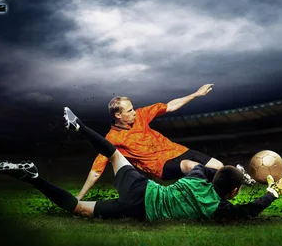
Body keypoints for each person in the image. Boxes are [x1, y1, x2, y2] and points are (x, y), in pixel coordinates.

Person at [0, 107, 282, 222]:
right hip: (139, 208)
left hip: (141, 186)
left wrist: (197, 166)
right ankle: (33, 177)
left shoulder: (198, 177)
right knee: (77, 208)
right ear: (232, 193)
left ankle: (79, 127)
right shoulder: (218, 209)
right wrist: (274, 193)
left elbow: (192, 166)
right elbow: (248, 211)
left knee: (113, 152)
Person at [78, 84, 256, 201]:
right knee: (190, 166)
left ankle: (229, 188)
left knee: (218, 166)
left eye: (133, 108)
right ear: (118, 115)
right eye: (130, 110)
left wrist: (195, 94)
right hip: (161, 166)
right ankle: (229, 185)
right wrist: (79, 197)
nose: (134, 112)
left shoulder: (141, 115)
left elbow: (169, 106)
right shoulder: (112, 139)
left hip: (177, 150)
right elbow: (96, 170)